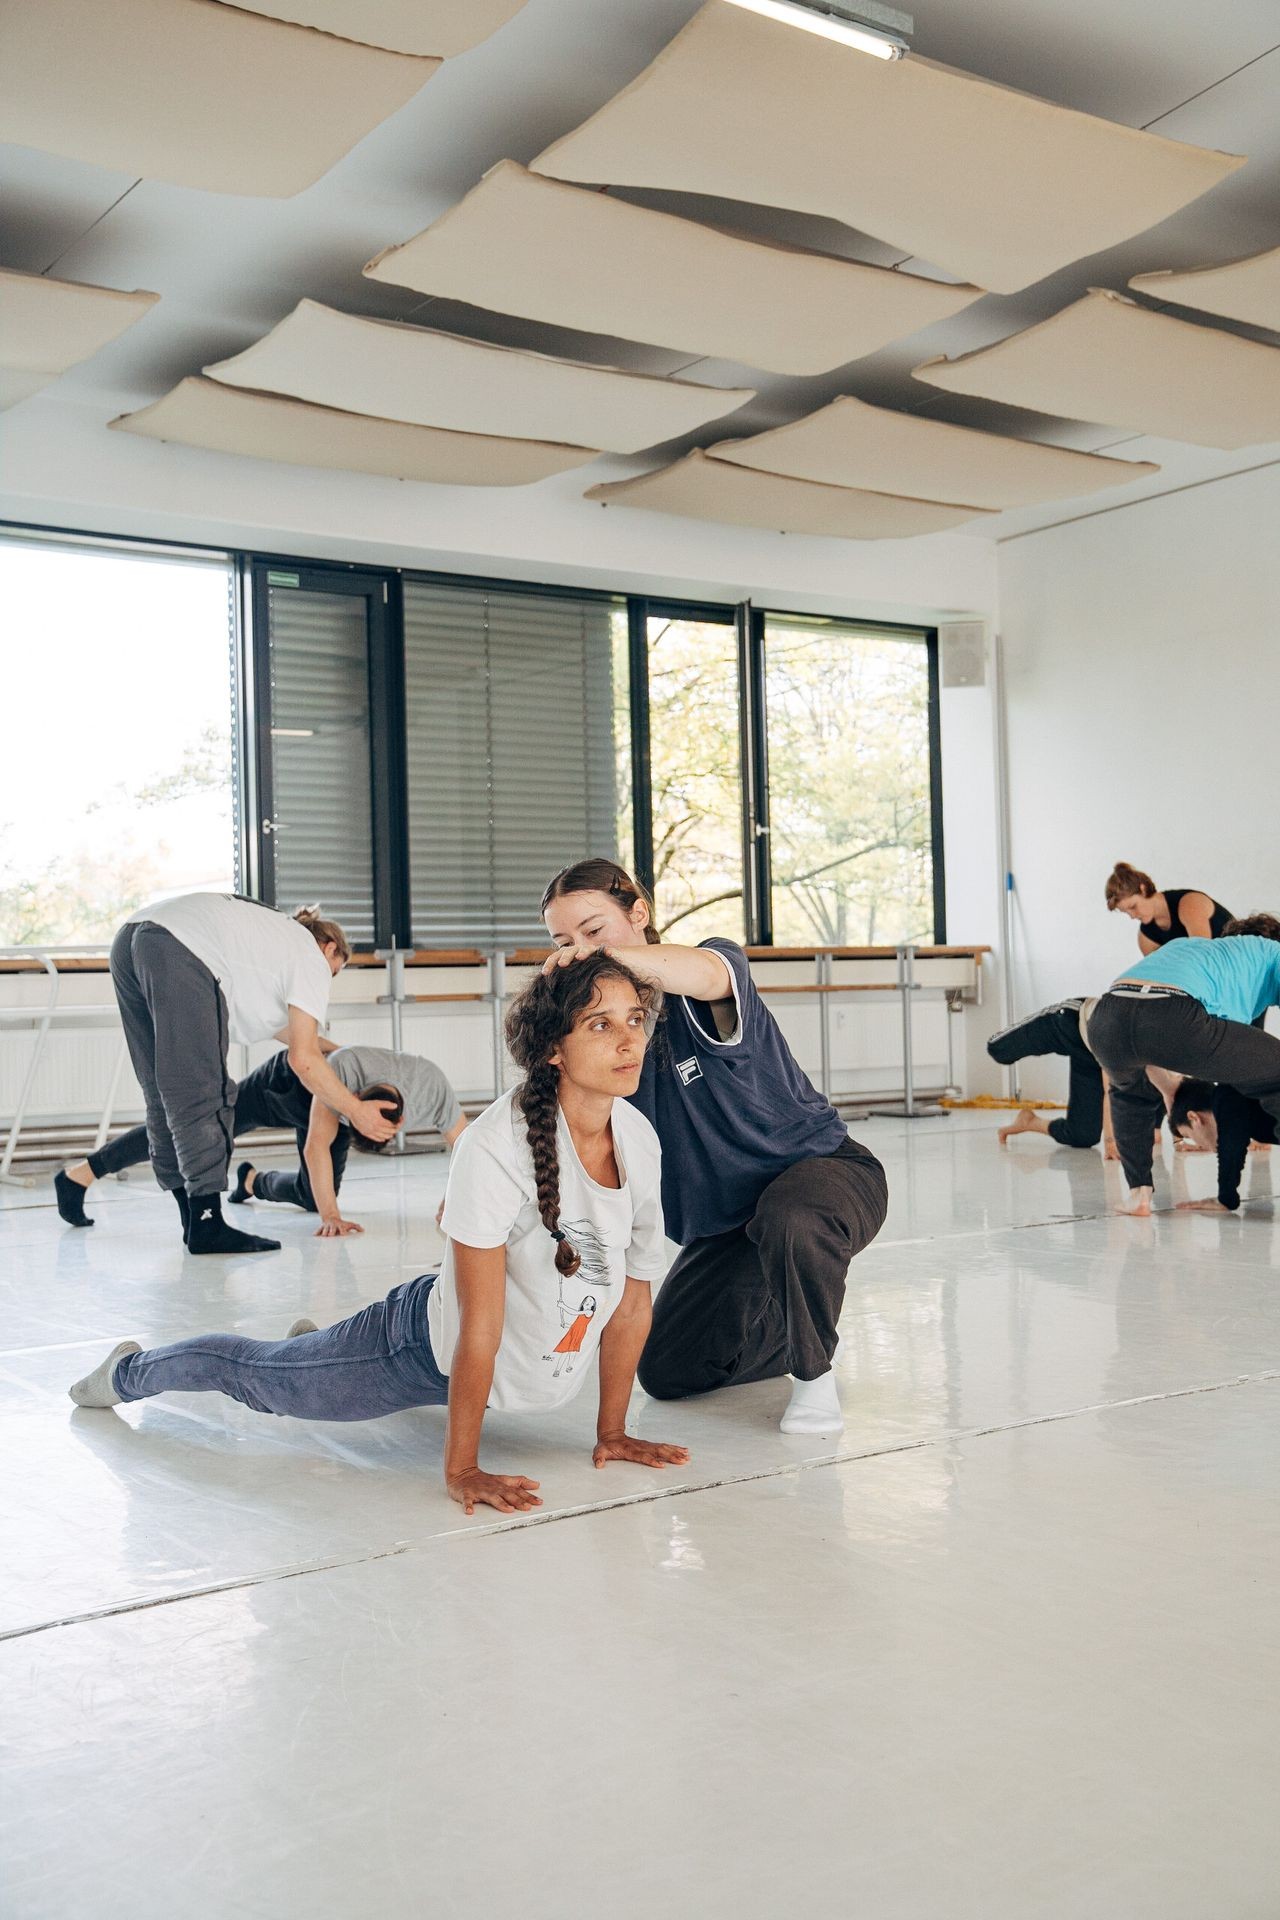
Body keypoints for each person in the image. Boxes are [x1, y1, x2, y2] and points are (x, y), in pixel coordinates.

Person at [69, 953, 690, 1516]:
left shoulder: (638, 1136)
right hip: (418, 1346)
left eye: (635, 1020)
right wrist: (462, 1468)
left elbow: (632, 1301)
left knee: (312, 1364)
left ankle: (323, 1349)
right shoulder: (496, 1146)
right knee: (267, 1381)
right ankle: (129, 1372)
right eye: (601, 1025)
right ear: (554, 1048)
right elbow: (479, 1327)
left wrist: (612, 1433)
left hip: (469, 1333)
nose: (629, 1040)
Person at [541, 857, 888, 1435]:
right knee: (669, 1371)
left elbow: (707, 972)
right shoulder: (604, 1041)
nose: (579, 950)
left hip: (824, 1177)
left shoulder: (705, 975)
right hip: (729, 1227)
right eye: (563, 941)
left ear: (640, 913)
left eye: (594, 931)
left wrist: (603, 960)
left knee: (792, 1215)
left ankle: (814, 1378)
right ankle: (799, 1331)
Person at [105, 893, 399, 1255]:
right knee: (203, 1092)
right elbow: (303, 1058)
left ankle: (192, 1221)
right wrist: (356, 1110)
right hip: (176, 945)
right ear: (330, 948)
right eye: (334, 971)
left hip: (132, 940)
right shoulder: (310, 957)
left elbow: (296, 1036)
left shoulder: (270, 942)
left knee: (162, 1092)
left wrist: (347, 1056)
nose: (328, 981)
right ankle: (208, 1224)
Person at [56, 1043, 467, 1238]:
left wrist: (457, 1200)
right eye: (352, 1116)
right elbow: (315, 1146)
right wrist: (332, 1217)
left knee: (314, 1195)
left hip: (336, 1099)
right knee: (195, 1129)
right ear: (355, 1104)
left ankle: (251, 1181)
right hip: (285, 1087)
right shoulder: (343, 1072)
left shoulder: (433, 1091)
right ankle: (81, 1173)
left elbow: (468, 1150)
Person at [1085, 916, 1280, 1217]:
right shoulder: (1270, 951)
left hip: (1107, 1015)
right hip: (1174, 1013)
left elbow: (1143, 1024)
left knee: (1128, 1092)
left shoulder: (1191, 950)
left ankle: (1139, 1194)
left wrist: (1168, 1087)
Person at [987, 999, 1111, 1152]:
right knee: (999, 1050)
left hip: (1091, 1052)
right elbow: (1111, 1090)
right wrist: (1110, 1141)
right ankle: (1045, 1018)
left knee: (1082, 1136)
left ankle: (1030, 1122)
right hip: (1070, 1022)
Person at [1168, 1077, 1277, 1213]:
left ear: (1194, 1118)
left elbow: (1231, 1148)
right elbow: (1234, 1141)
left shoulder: (1228, 1094)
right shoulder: (1239, 1097)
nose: (1197, 1144)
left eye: (1189, 1136)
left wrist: (1225, 1198)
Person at [1104, 862, 1233, 955]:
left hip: (1242, 963)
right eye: (1126, 912)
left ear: (1143, 890)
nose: (1132, 916)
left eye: (1133, 907)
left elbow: (1201, 955)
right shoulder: (1146, 938)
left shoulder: (1189, 903)